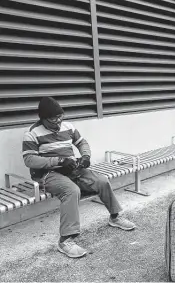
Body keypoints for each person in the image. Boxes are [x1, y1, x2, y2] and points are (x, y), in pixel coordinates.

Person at [22, 97, 136, 258]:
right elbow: (29, 160)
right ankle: (66, 240)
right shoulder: (32, 133)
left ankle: (115, 217)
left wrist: (85, 156)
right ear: (43, 118)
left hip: (72, 168)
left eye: (60, 116)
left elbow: (82, 143)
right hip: (48, 174)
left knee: (101, 181)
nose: (58, 121)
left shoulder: (68, 126)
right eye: (53, 118)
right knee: (71, 191)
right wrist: (59, 161)